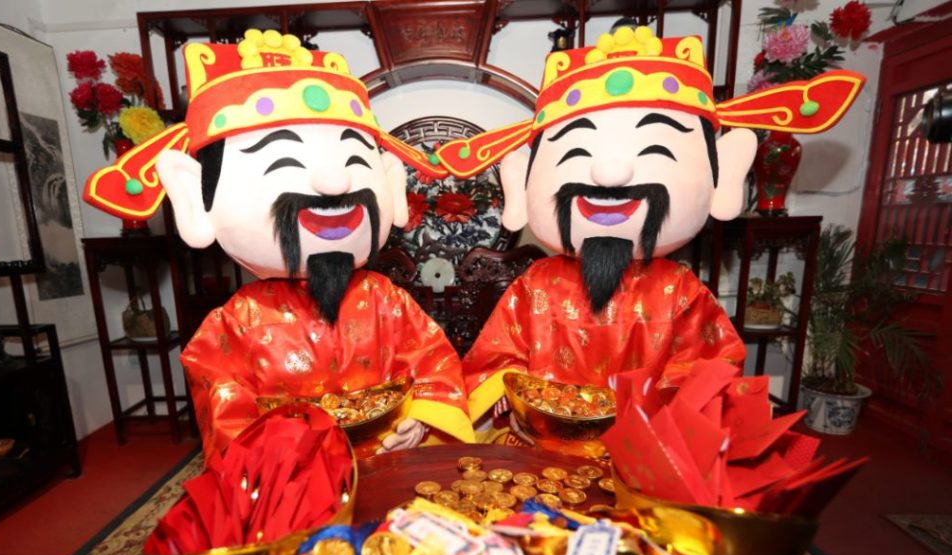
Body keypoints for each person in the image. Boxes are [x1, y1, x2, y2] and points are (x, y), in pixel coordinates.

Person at [435, 26, 864, 431]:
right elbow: (499, 353)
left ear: (725, 177)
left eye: (655, 149)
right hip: (546, 435)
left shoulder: (681, 290)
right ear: (520, 182)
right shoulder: (536, 283)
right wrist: (508, 390)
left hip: (643, 438)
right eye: (578, 153)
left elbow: (712, 362)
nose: (610, 174)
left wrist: (663, 404)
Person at [84, 31, 474, 462]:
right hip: (290, 476)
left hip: (385, 457)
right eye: (283, 163)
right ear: (195, 201)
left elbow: (435, 364)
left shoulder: (387, 300)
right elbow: (222, 403)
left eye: (354, 162)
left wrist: (420, 418)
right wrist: (274, 450)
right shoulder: (235, 323)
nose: (334, 184)